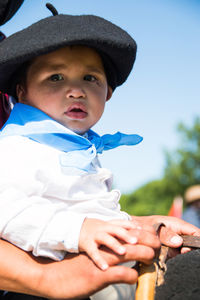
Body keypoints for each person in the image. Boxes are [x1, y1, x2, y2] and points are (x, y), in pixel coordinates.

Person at [0, 3, 200, 300]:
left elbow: (86, 213)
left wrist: (133, 227)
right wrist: (77, 230)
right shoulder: (18, 147)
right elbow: (7, 210)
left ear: (108, 91)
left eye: (90, 78)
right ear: (21, 92)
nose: (76, 90)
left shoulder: (76, 148)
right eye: (55, 77)